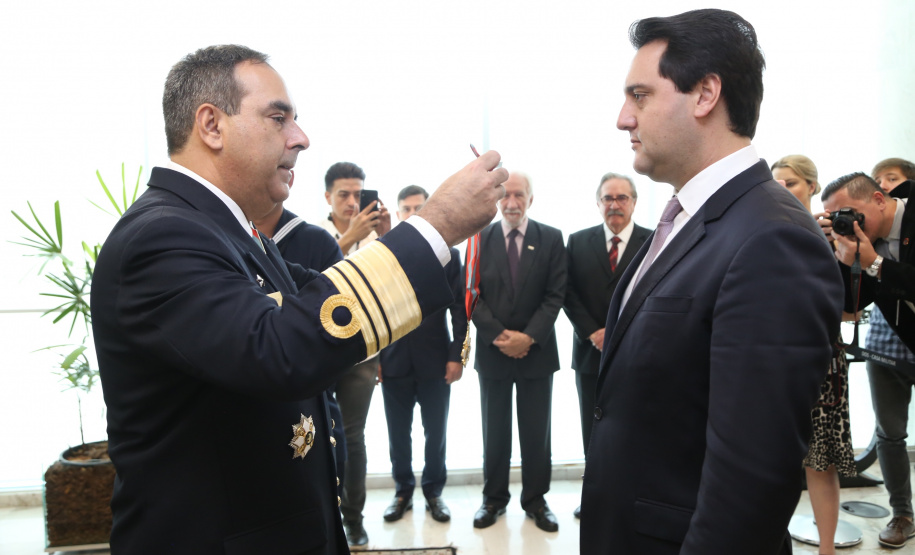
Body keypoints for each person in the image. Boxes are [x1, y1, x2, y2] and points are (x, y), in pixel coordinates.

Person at [91, 44, 508, 555]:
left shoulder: (227, 230)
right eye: (278, 117)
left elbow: (316, 293)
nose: (301, 138)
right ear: (211, 125)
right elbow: (280, 349)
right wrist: (438, 224)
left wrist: (432, 237)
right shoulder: (161, 237)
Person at [579, 10, 844, 555]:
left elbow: (750, 485)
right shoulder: (690, 219)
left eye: (641, 95)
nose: (623, 118)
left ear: (705, 94)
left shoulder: (772, 239)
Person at [821, 171, 915, 549]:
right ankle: (902, 514)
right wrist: (843, 258)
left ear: (879, 198)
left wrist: (875, 262)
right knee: (889, 432)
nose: (848, 222)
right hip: (894, 345)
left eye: (850, 212)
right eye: (836, 217)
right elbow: (850, 305)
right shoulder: (863, 241)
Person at [470, 172, 567, 532]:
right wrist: (499, 336)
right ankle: (493, 500)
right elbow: (472, 294)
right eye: (506, 195)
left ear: (531, 198)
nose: (512, 202)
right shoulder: (480, 238)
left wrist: (528, 337)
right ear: (497, 199)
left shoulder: (552, 238)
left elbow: (556, 294)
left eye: (519, 195)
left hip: (537, 354)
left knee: (536, 433)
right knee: (494, 433)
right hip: (493, 354)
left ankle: (536, 501)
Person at [771, 155, 856, 555]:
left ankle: (826, 549)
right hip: (771, 357)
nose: (783, 190)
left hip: (821, 359)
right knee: (770, 458)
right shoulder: (767, 231)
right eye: (778, 184)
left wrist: (843, 255)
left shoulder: (831, 235)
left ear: (811, 187)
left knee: (821, 462)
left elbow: (849, 309)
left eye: (792, 184)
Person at [252, 173, 347, 499]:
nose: (298, 141)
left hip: (314, 398)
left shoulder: (315, 240)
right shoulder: (213, 237)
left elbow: (342, 302)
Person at [562, 172, 650, 519]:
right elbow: (567, 293)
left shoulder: (655, 239)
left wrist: (617, 333)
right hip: (589, 354)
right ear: (598, 203)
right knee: (593, 431)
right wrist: (593, 332)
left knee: (633, 428)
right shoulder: (578, 241)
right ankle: (595, 497)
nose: (614, 205)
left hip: (635, 352)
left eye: (622, 198)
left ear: (634, 202)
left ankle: (632, 495)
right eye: (608, 198)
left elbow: (654, 293)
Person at [378, 185, 467, 525]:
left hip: (436, 359)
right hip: (394, 360)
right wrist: (378, 359)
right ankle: (403, 491)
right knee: (398, 433)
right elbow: (376, 310)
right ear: (399, 214)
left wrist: (456, 354)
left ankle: (433, 491)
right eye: (407, 209)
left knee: (436, 431)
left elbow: (459, 309)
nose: (413, 213)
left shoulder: (449, 254)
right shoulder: (383, 253)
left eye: (419, 208)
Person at [317, 161, 389, 548]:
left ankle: (354, 518)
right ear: (327, 197)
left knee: (352, 437)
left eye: (358, 194)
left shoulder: (375, 239)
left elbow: (392, 287)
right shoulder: (314, 235)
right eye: (343, 194)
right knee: (317, 433)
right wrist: (346, 238)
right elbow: (312, 280)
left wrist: (386, 236)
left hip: (362, 353)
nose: (351, 202)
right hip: (318, 351)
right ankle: (320, 512)